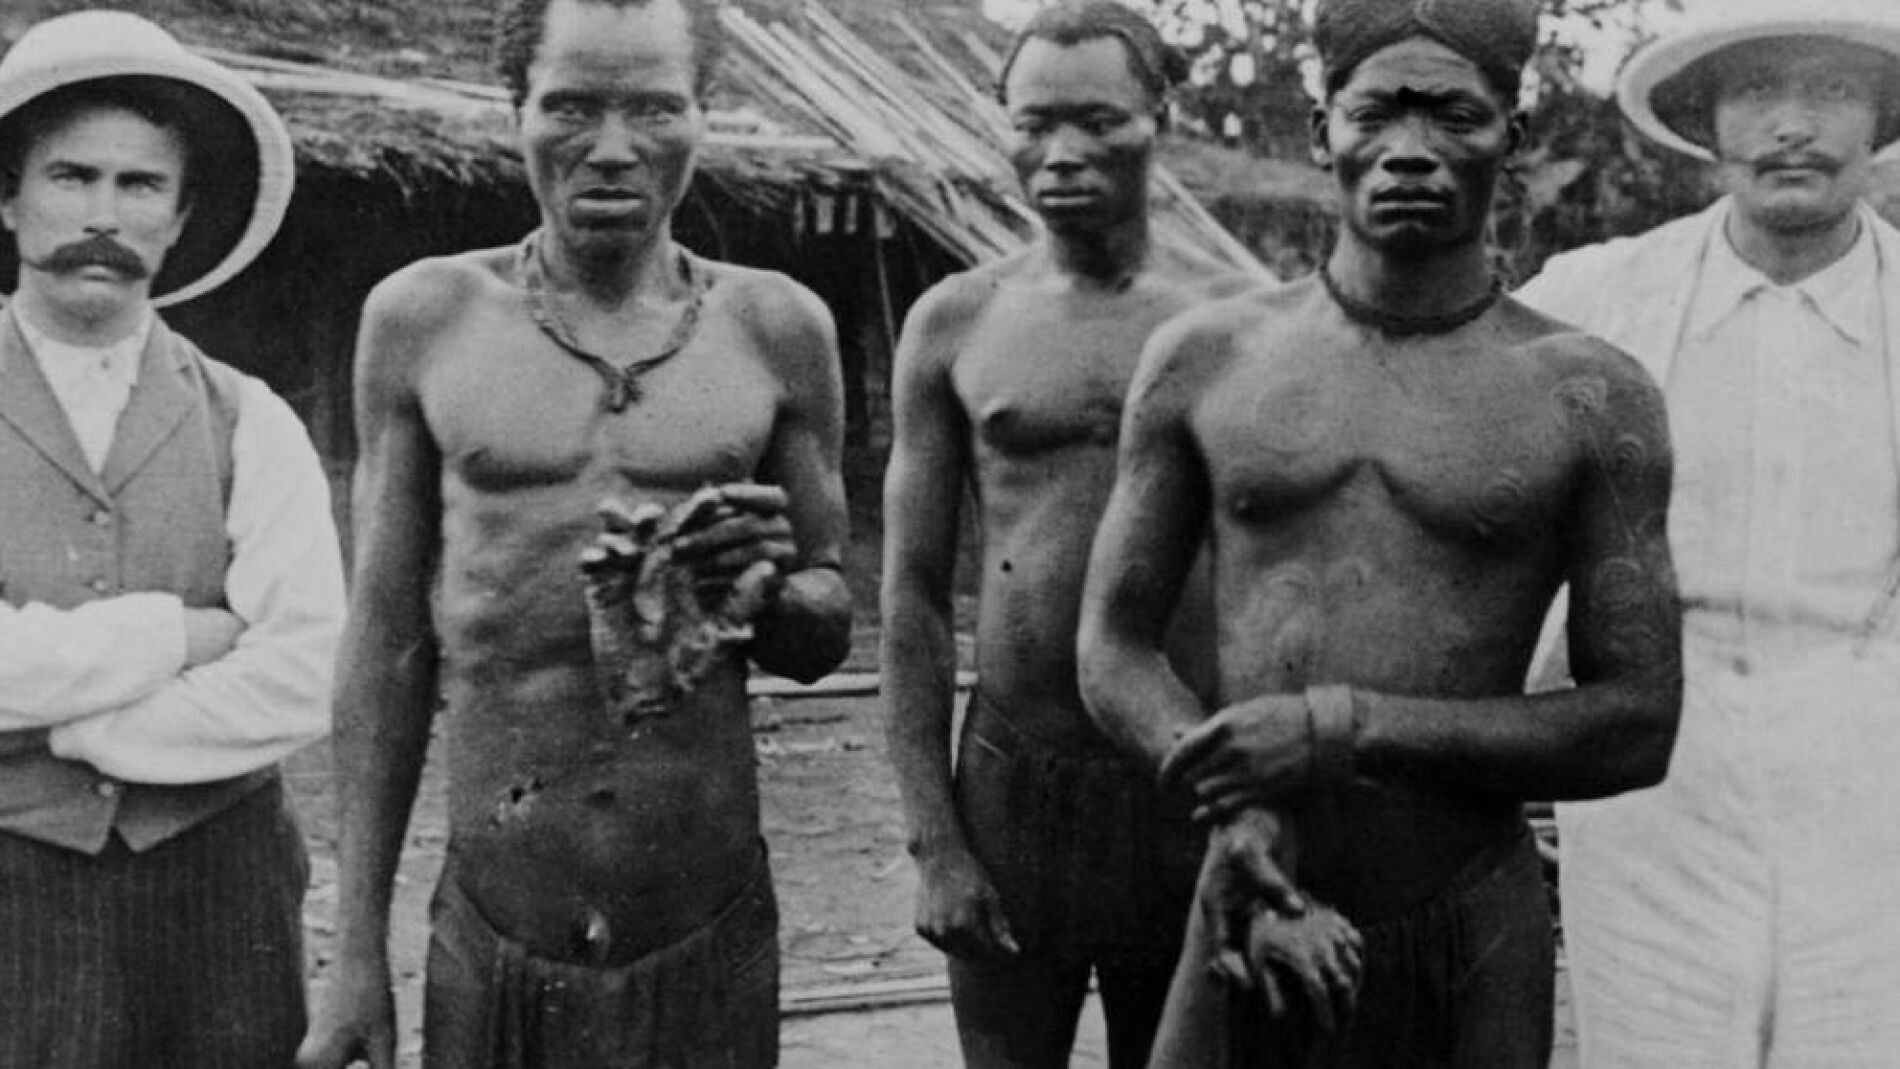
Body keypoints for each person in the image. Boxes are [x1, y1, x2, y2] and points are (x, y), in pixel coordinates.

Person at [1074, 0, 1686, 1064]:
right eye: (1377, 113)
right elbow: (1112, 644)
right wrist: (1235, 811)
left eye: (1453, 114)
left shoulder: (1591, 396)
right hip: (1251, 890)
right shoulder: (1206, 358)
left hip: (1467, 916)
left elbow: (1637, 721)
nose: (1410, 148)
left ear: (1512, 137)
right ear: (1324, 133)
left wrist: (1340, 727)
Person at [295, 0, 852, 1064]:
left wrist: (763, 592)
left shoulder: (777, 327)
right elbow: (386, 642)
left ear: (704, 113)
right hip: (499, 924)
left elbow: (825, 625)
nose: (612, 147)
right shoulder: (425, 319)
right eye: (572, 107)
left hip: (706, 921)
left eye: (654, 108)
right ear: (516, 111)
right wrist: (356, 949)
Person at [1515, 2, 1900, 1064]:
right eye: (1758, 92)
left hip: (1870, 776)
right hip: (1653, 775)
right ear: (1708, 120)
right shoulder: (1596, 299)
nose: (1793, 126)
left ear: (1878, 121)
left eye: (1830, 92)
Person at [880, 4, 1257, 1066]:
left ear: (1159, 119)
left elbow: (1289, 581)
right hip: (1013, 777)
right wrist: (935, 840)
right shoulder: (956, 322)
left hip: (1183, 771)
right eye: (1034, 123)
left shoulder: (1242, 323)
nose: (1062, 153)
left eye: (1097, 122)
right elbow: (911, 595)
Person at [0, 10, 344, 1068]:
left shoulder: (249, 418)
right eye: (72, 176)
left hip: (220, 893)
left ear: (180, 216)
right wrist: (179, 636)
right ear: (8, 197)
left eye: (141, 185)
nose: (104, 214)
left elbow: (306, 671)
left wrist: (87, 733)